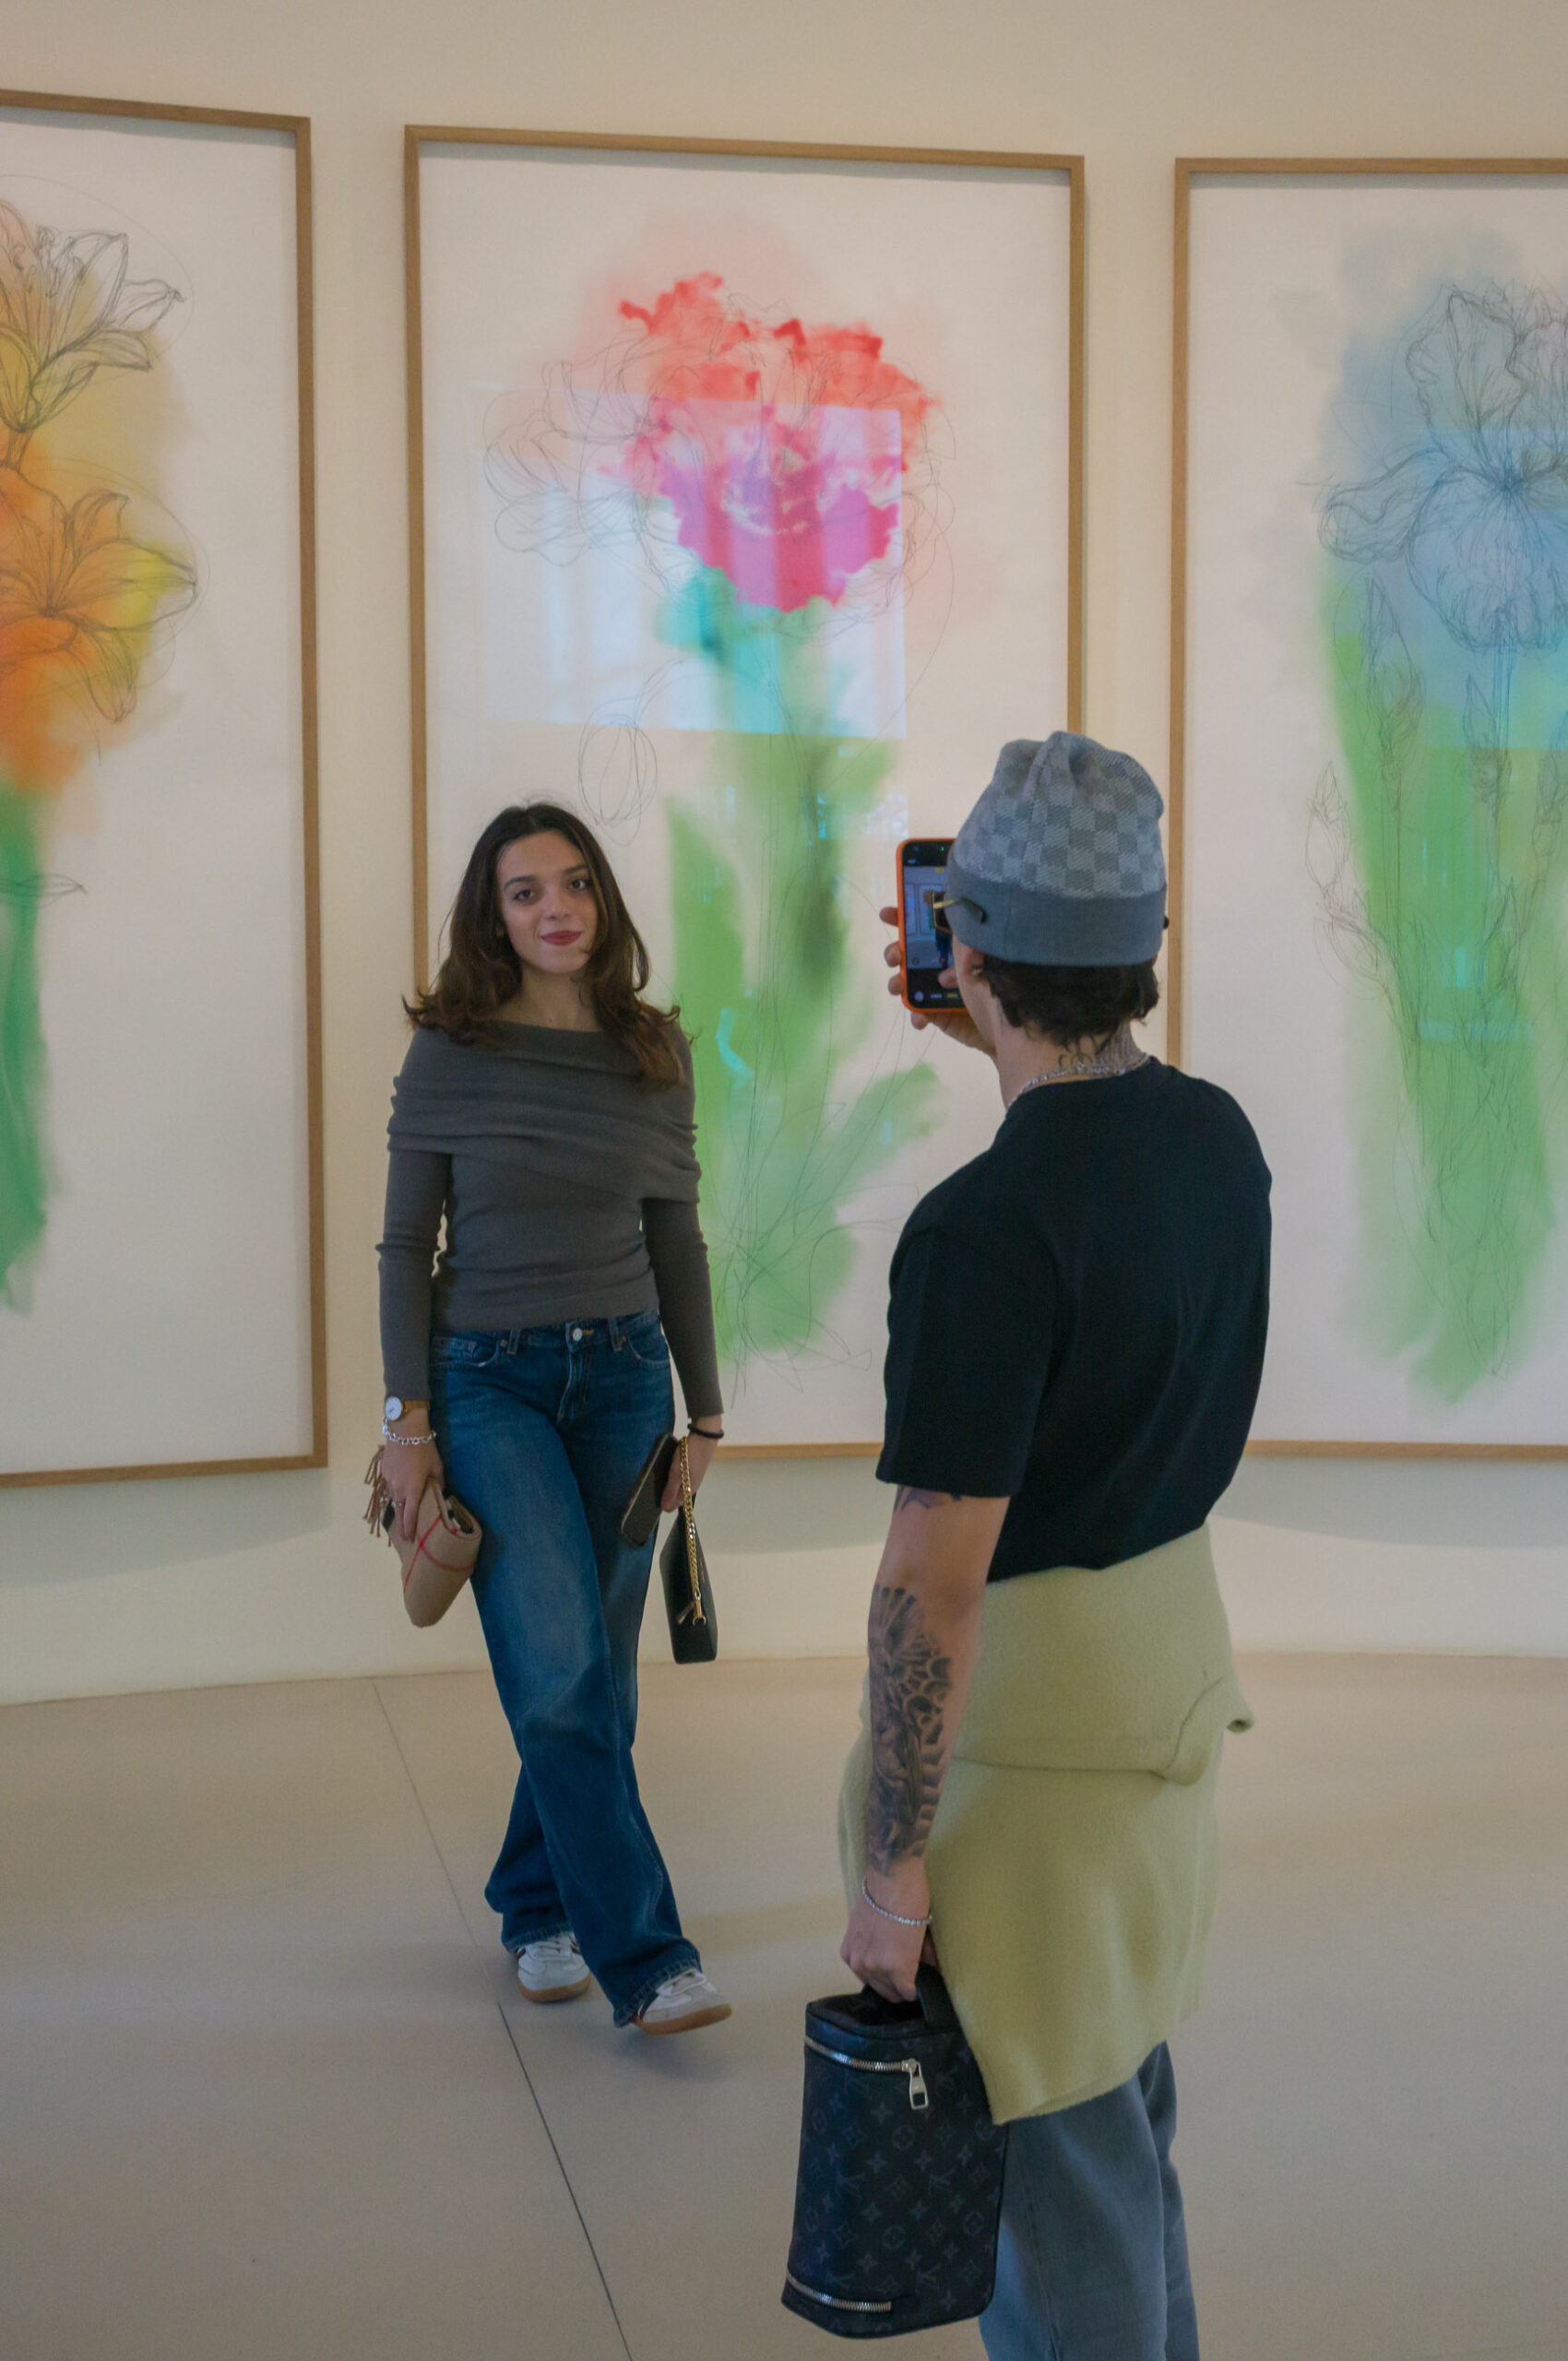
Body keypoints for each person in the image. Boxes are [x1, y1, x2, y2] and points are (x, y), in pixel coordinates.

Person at [837, 735, 1271, 2359]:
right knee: (1121, 2134)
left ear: (966, 948)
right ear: (1143, 944)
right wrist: (1005, 1011)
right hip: (1162, 1714)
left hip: (1028, 1778)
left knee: (1052, 2191)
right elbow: (1091, 1142)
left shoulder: (982, 1231)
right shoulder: (1216, 1139)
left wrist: (891, 1868)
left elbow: (931, 1584)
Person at [377, 801, 731, 2037]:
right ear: (493, 916)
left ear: (603, 899)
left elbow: (677, 1239)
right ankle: (652, 1960)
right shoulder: (450, 1052)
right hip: (490, 1383)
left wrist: (706, 1414)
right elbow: (404, 1245)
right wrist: (408, 1422)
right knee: (561, 1671)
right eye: (525, 891)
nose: (557, 908)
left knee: (598, 1685)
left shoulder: (652, 1049)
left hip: (627, 1377)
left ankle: (536, 1904)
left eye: (576, 883)